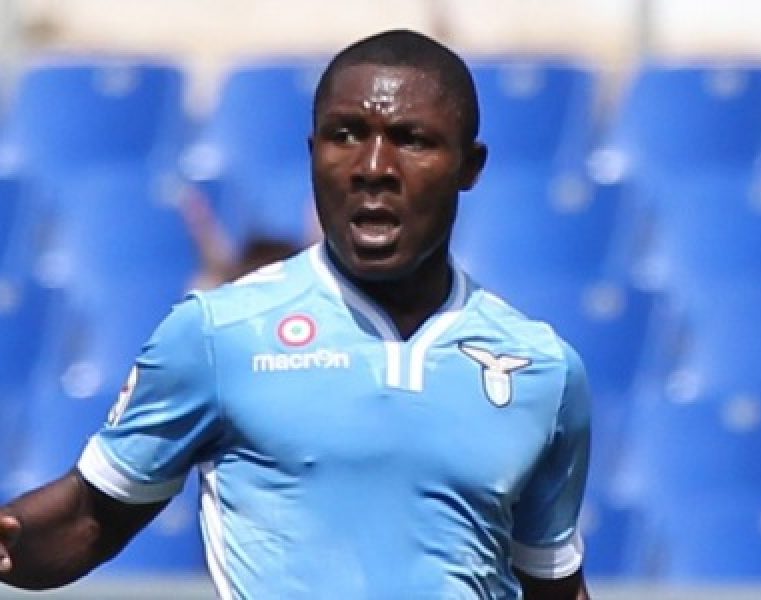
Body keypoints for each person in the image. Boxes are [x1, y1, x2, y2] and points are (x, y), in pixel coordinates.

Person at [0, 29, 591, 599]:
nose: (373, 166)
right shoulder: (221, 334)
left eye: (411, 139)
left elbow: (554, 585)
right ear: (313, 153)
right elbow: (90, 515)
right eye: (345, 135)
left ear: (470, 166)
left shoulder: (540, 369)